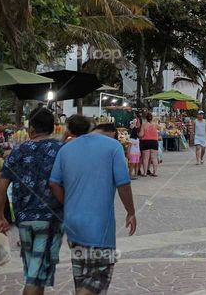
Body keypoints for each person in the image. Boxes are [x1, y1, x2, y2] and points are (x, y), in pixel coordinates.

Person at [49, 116, 136, 295]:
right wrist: (131, 212)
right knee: (98, 278)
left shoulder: (66, 149)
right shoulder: (113, 147)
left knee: (81, 276)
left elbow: (54, 183)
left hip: (73, 223)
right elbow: (123, 184)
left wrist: (68, 203)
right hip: (99, 226)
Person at [0, 107, 64, 295]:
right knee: (34, 277)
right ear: (52, 128)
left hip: (24, 219)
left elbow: (0, 187)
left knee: (35, 272)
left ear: (31, 129)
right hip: (51, 219)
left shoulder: (18, 151)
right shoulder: (62, 150)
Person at [139, 111, 159, 177]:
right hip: (154, 142)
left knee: (145, 158)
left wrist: (138, 134)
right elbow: (159, 131)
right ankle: (155, 172)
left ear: (146, 118)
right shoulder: (155, 125)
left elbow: (141, 134)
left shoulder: (144, 125)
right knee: (154, 158)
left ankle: (145, 173)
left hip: (146, 142)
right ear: (152, 118)